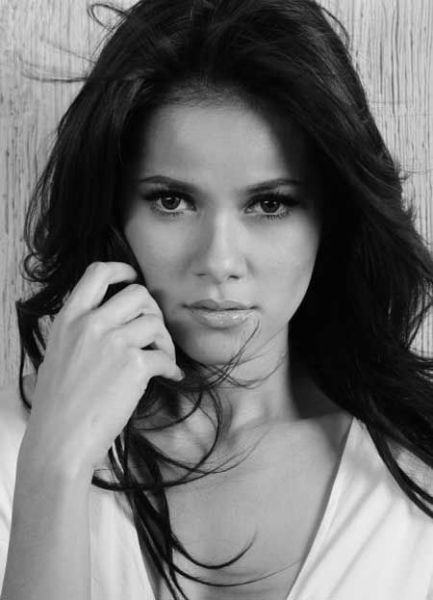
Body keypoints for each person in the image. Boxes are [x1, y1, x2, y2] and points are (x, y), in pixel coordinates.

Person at [1, 0, 433, 598]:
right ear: (112, 210)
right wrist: (55, 467)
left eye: (270, 203)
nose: (219, 261)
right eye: (172, 201)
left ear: (331, 220)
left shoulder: (418, 468)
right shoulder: (17, 448)